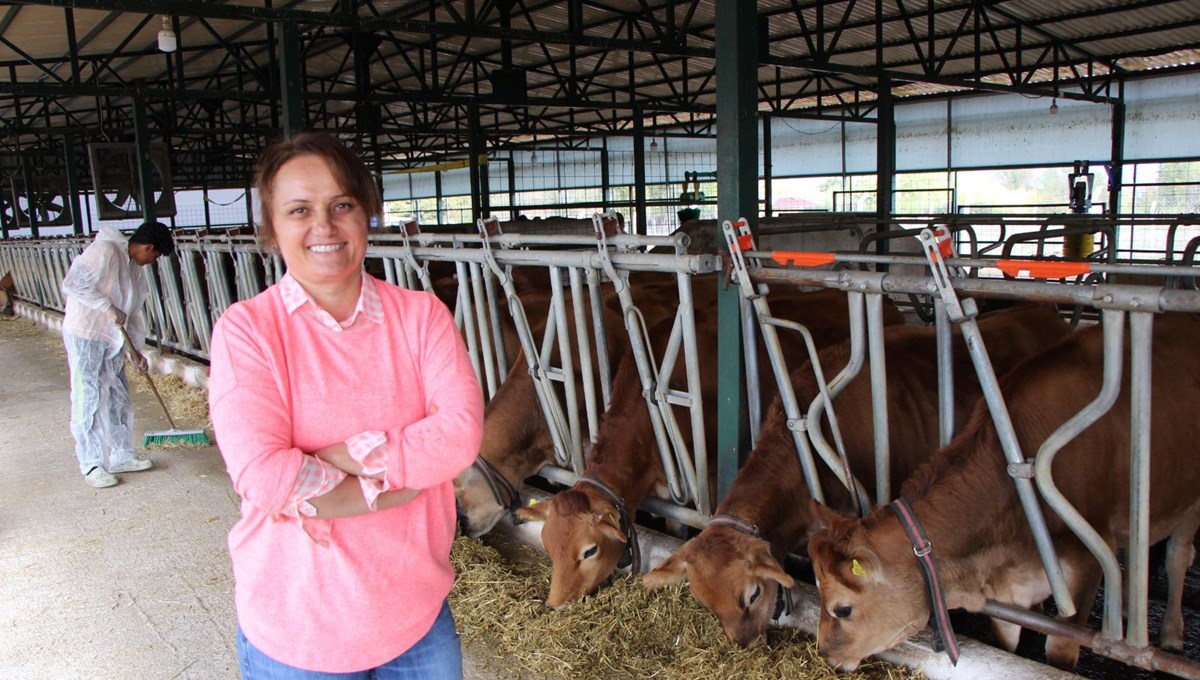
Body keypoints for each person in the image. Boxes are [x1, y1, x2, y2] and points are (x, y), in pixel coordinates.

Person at [207, 131, 484, 678]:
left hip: (416, 617)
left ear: (367, 214)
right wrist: (400, 480)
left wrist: (330, 459)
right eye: (299, 210)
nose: (324, 227)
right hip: (298, 630)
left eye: (342, 205)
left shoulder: (421, 316)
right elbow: (264, 477)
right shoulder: (248, 331)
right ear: (272, 229)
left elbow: (458, 438)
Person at [61, 220, 175, 489]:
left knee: (117, 393)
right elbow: (73, 284)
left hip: (112, 339)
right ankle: (92, 463)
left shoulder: (134, 267)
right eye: (155, 255)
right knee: (88, 395)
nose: (153, 261)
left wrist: (135, 351)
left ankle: (122, 454)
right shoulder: (105, 251)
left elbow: (131, 313)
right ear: (147, 247)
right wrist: (106, 306)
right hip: (86, 332)